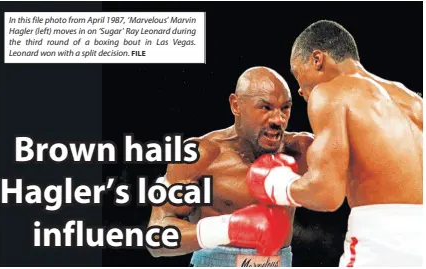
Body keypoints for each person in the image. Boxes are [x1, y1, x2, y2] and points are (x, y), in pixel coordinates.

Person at [246, 20, 423, 267]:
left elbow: (326, 194)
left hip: (382, 243)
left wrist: (276, 184)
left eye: (298, 75)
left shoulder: (330, 93)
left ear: (317, 59)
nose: (299, 90)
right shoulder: (413, 100)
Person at [147, 66, 314, 267]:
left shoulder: (301, 151)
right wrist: (228, 228)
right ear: (236, 105)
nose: (278, 120)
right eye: (265, 108)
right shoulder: (200, 156)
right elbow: (156, 238)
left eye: (285, 108)